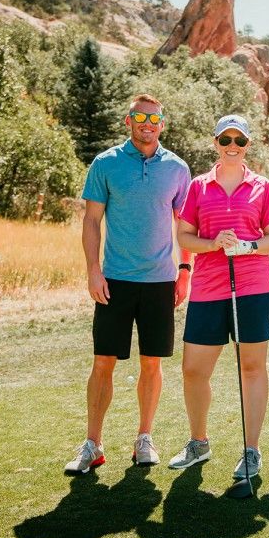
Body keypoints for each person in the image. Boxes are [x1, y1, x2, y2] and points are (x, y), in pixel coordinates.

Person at [65, 94, 192, 474]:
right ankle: (92, 444)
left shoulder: (177, 168)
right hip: (114, 281)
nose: (147, 123)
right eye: (140, 116)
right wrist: (92, 270)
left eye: (154, 118)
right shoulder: (105, 163)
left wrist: (185, 270)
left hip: (160, 282)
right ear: (128, 120)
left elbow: (185, 225)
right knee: (103, 361)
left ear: (162, 124)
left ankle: (144, 439)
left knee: (152, 363)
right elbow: (91, 221)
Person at [168, 115, 269, 480]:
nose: (232, 145)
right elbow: (184, 236)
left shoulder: (261, 187)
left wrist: (248, 246)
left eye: (239, 139)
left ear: (248, 144)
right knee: (194, 370)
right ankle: (199, 442)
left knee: (251, 368)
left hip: (252, 289)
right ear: (216, 142)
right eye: (225, 139)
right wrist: (211, 244)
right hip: (207, 289)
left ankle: (251, 450)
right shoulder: (199, 187)